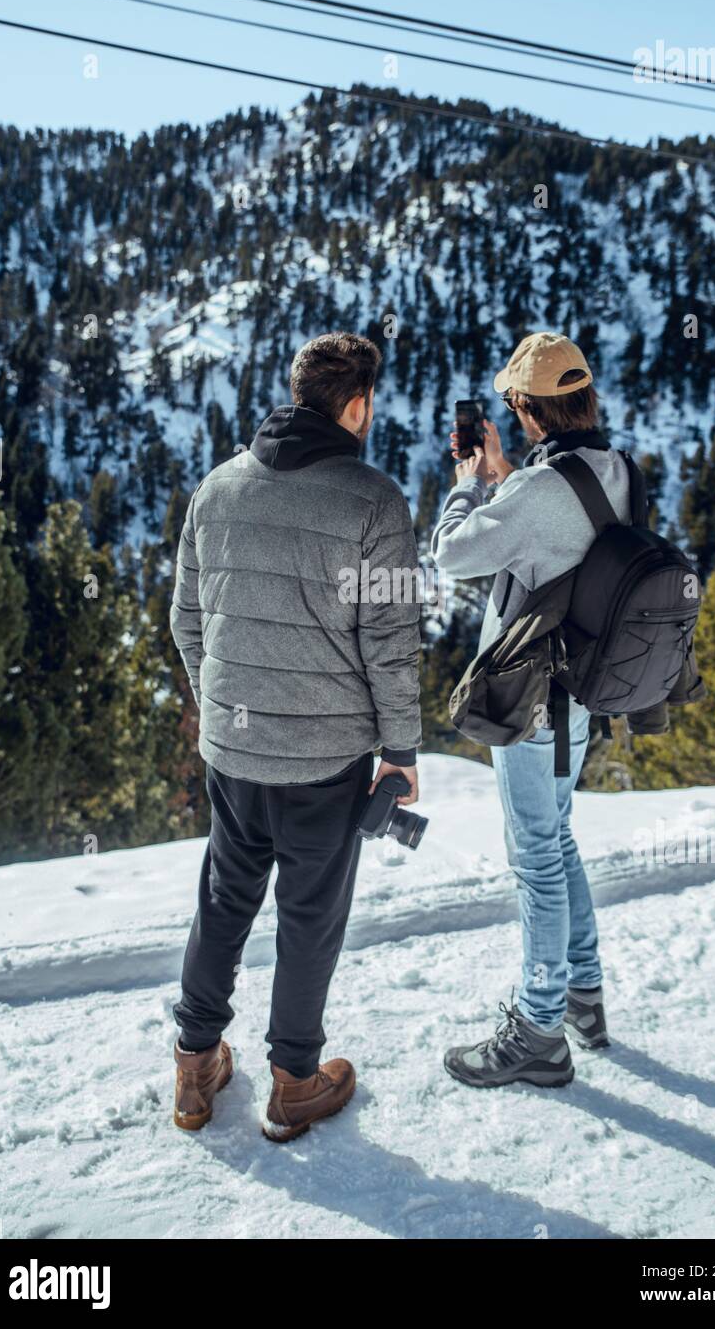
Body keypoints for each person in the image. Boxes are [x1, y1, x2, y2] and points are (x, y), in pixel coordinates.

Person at [170, 332, 421, 1140]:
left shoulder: (217, 487)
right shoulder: (373, 500)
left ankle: (195, 1066)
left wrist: (228, 699)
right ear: (357, 406)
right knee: (309, 917)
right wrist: (402, 752)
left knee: (224, 896)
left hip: (232, 752)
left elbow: (186, 620)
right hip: (325, 759)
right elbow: (390, 641)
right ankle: (294, 1082)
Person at [432, 332, 623, 1089]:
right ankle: (584, 995)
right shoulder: (611, 468)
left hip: (530, 704)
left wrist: (469, 483)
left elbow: (452, 553)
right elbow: (563, 528)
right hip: (581, 700)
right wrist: (510, 479)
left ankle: (539, 1030)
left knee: (536, 859)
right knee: (559, 840)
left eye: (514, 405)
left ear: (527, 408)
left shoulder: (535, 492)